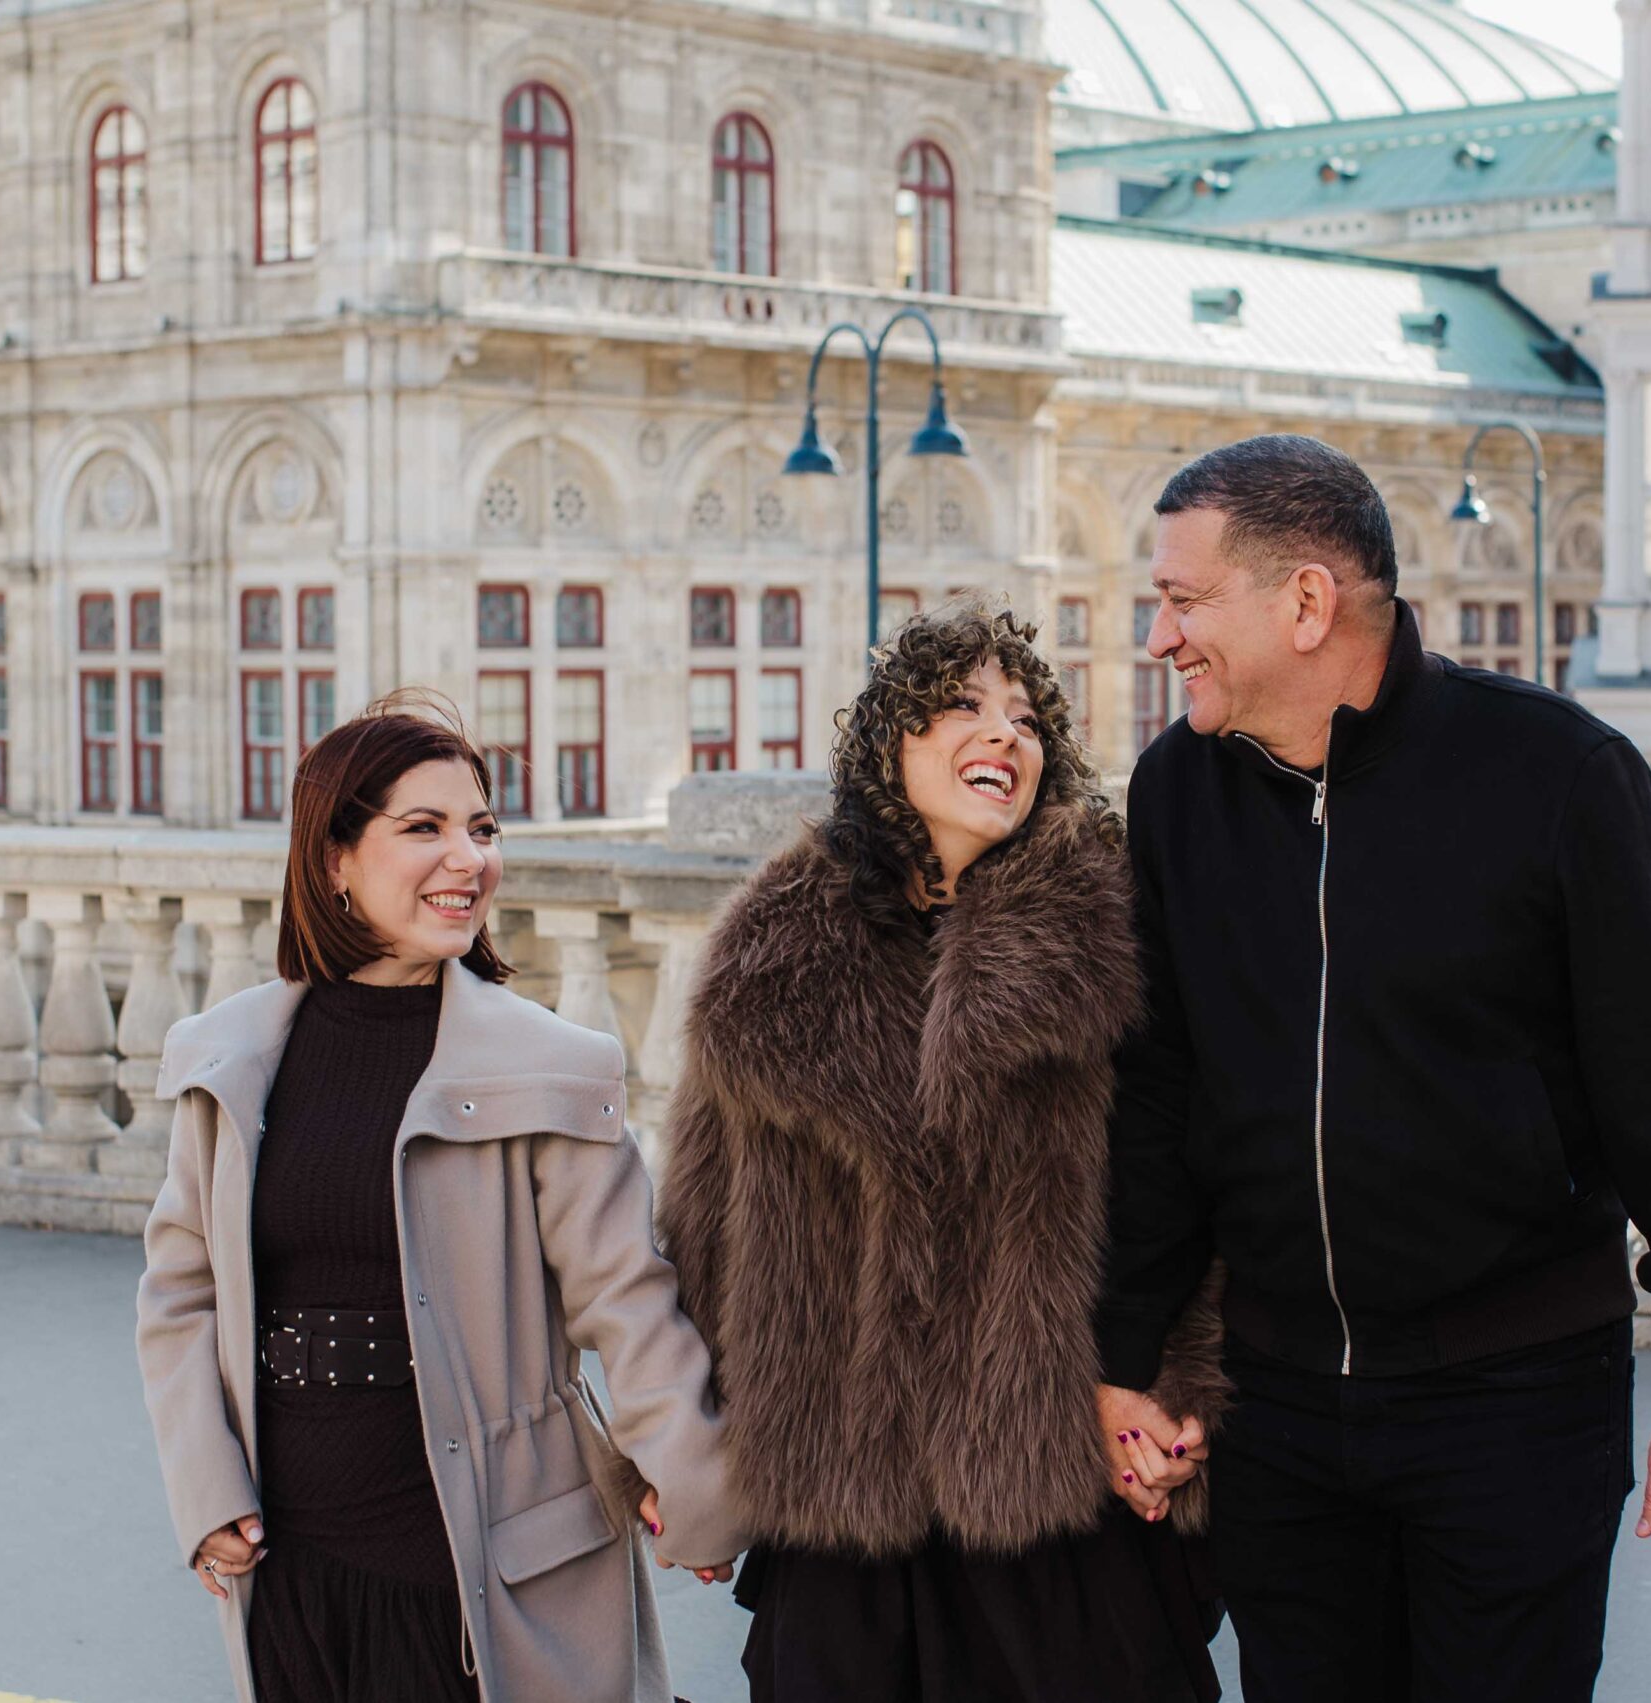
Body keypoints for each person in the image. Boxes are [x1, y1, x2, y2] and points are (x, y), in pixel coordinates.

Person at [1093, 436, 1651, 1703]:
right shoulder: (1174, 791)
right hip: (1278, 1409)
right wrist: (1122, 1351)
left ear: (1304, 601)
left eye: (1182, 600)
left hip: (1513, 1405)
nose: (1158, 636)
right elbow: (1157, 1097)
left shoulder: (1560, 776)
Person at [655, 603, 1229, 1703]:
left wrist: (1181, 1392)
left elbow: (1188, 1192)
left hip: (1052, 1488)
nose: (1003, 734)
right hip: (840, 1502)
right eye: (962, 705)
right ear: (889, 745)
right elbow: (702, 1234)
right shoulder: (768, 956)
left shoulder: (1114, 941)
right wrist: (685, 1465)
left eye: (1025, 720)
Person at [135, 693, 740, 1703]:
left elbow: (627, 1302)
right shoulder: (229, 1058)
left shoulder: (550, 1064)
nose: (468, 858)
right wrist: (205, 1490)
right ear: (333, 855)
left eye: (483, 826)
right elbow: (178, 1293)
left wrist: (696, 1486)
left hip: (487, 1573)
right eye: (423, 828)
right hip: (291, 1566)